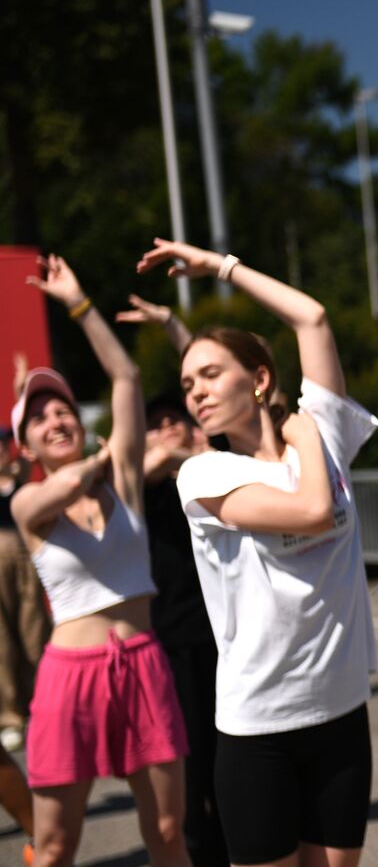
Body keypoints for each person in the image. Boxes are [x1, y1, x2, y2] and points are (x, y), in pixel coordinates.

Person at [138, 238, 378, 867]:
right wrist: (302, 433)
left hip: (341, 713)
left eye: (211, 374)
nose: (194, 392)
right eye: (188, 382)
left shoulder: (321, 436)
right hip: (258, 729)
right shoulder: (204, 475)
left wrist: (221, 266)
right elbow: (311, 511)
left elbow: (312, 318)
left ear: (261, 378)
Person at [10, 255, 190, 867]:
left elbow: (128, 379)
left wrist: (80, 306)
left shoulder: (124, 486)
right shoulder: (30, 503)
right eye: (38, 417)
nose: (54, 419)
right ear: (24, 445)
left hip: (142, 663)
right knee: (57, 844)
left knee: (168, 830)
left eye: (61, 409)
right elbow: (60, 491)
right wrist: (109, 453)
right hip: (69, 677)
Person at [117, 295, 228, 866]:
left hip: (228, 635)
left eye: (175, 421)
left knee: (228, 756)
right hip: (174, 642)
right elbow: (137, 467)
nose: (168, 430)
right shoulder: (146, 484)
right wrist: (168, 451)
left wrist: (173, 326)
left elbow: (215, 380)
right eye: (156, 424)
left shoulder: (213, 467)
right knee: (192, 762)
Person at [0, 417, 49, 755]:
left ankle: (44, 706)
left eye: (4, 444)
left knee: (35, 632)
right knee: (2, 639)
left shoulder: (20, 480)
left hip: (25, 557)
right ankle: (10, 716)